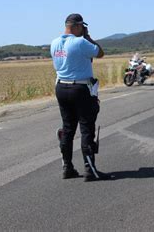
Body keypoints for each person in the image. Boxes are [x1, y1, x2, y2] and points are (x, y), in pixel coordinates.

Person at [50, 13, 105, 181]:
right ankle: (90, 170)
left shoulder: (54, 43)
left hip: (61, 87)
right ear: (79, 26)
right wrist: (87, 36)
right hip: (80, 88)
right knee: (86, 128)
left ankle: (67, 167)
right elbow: (100, 53)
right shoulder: (81, 42)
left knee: (67, 128)